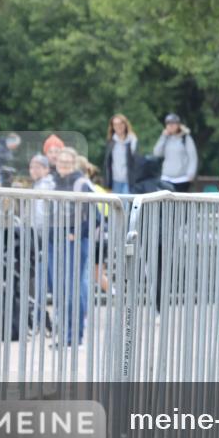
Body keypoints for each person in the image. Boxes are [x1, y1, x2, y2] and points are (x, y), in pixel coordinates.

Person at [52, 147, 96, 345]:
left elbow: (95, 215)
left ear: (74, 163)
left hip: (74, 242)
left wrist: (77, 233)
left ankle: (74, 336)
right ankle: (66, 334)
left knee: (72, 289)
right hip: (59, 240)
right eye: (61, 162)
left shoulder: (81, 183)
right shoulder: (56, 183)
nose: (63, 165)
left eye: (67, 162)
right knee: (63, 289)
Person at [153, 113, 198, 193]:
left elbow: (192, 157)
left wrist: (191, 174)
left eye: (173, 123)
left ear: (178, 125)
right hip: (166, 177)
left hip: (182, 179)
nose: (171, 126)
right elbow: (157, 153)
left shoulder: (186, 138)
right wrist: (163, 137)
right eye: (168, 124)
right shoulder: (165, 138)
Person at [103, 113, 138, 194]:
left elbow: (136, 159)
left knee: (126, 202)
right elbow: (107, 164)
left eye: (120, 123)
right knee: (116, 202)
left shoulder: (132, 140)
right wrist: (107, 185)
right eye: (115, 124)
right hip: (115, 181)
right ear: (112, 127)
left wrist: (134, 142)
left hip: (129, 181)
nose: (118, 126)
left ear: (125, 125)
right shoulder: (111, 142)